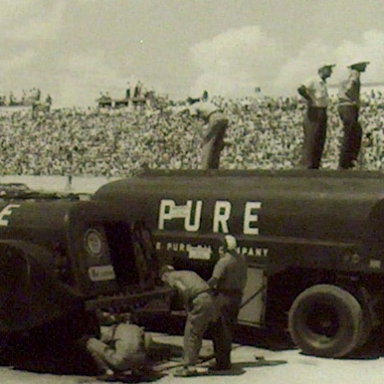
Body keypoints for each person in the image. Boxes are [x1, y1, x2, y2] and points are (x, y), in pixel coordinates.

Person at [160, 265, 219, 377]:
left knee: (190, 334)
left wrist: (186, 306)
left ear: (164, 275)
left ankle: (188, 367)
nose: (166, 284)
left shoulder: (171, 277)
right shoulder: (188, 272)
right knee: (197, 334)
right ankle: (194, 363)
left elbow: (184, 289)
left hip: (199, 301)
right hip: (210, 299)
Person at [207, 235, 248, 371]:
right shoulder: (241, 259)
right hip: (237, 297)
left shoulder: (224, 261)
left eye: (221, 246)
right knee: (229, 328)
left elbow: (214, 279)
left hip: (224, 296)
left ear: (225, 247)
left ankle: (221, 363)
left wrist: (203, 288)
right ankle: (226, 360)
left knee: (220, 330)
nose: (219, 249)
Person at [85, 311, 149, 381]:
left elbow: (103, 341)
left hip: (121, 361)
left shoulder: (115, 328)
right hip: (139, 361)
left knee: (91, 343)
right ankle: (135, 371)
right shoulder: (138, 329)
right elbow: (146, 344)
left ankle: (108, 372)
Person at [297, 64, 335, 169]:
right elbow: (301, 88)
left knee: (320, 137)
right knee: (311, 137)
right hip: (314, 110)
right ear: (322, 70)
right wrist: (310, 99)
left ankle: (315, 165)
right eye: (329, 70)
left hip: (322, 110)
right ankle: (307, 164)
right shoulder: (313, 80)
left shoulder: (323, 83)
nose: (331, 72)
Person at [337, 61, 369, 169]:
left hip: (346, 106)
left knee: (355, 132)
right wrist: (353, 99)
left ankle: (347, 161)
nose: (365, 66)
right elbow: (350, 86)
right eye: (363, 64)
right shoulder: (355, 74)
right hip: (349, 106)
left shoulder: (349, 74)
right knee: (351, 133)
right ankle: (345, 162)